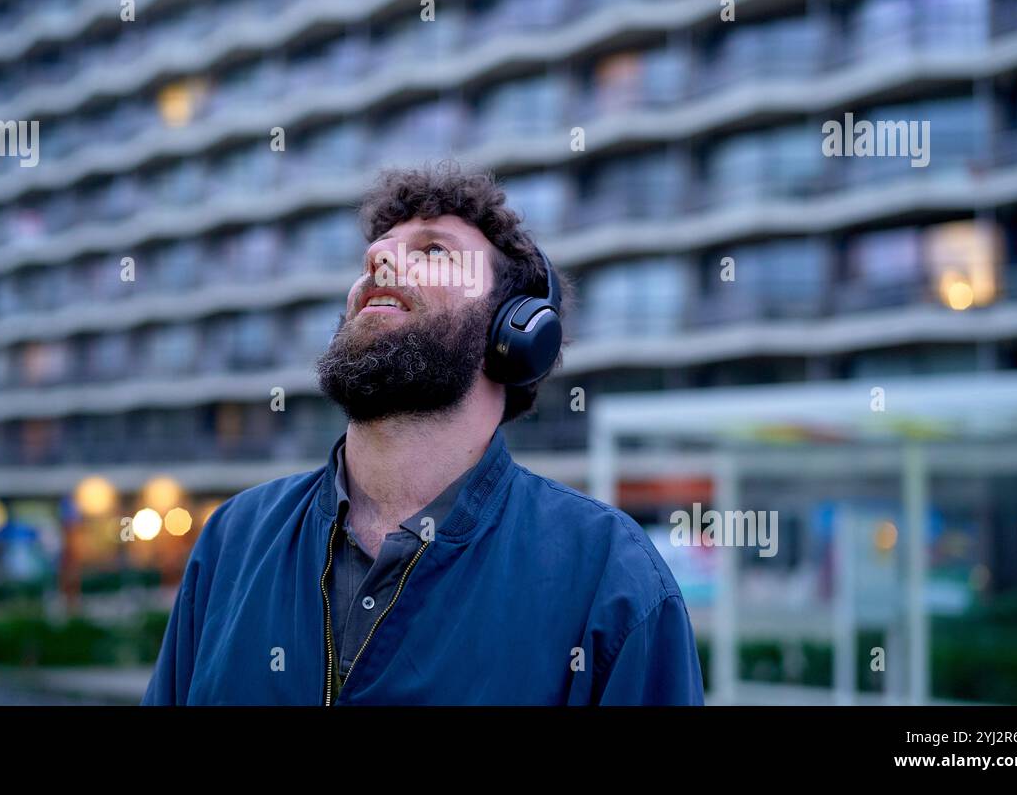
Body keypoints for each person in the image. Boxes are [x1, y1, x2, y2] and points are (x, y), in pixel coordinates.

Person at [142, 162, 704, 705]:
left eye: (434, 251)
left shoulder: (611, 577)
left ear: (515, 330)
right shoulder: (233, 541)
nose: (379, 259)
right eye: (376, 253)